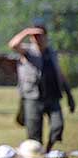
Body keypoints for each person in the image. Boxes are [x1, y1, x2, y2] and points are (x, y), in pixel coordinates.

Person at [8, 22, 75, 152]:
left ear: (46, 36)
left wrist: (69, 95)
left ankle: (47, 150)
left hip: (53, 96)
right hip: (32, 97)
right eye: (34, 36)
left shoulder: (52, 52)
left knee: (57, 126)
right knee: (34, 135)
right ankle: (36, 152)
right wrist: (27, 31)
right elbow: (13, 45)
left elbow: (59, 74)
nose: (37, 39)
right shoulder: (27, 51)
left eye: (40, 35)